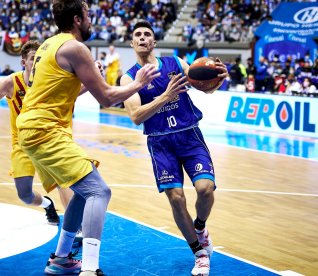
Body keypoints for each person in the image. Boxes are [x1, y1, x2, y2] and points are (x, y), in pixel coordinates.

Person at [16, 1, 160, 275]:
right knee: (99, 191)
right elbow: (106, 97)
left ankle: (61, 259)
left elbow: (58, 91)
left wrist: (88, 79)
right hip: (45, 130)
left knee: (82, 191)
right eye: (88, 16)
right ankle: (90, 269)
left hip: (35, 129)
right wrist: (138, 83)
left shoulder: (49, 44)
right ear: (76, 19)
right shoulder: (74, 47)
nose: (92, 21)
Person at [121, 21, 228, 276]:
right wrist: (165, 97)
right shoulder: (129, 78)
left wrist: (217, 79)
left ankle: (200, 226)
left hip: (189, 135)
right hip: (160, 142)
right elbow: (136, 116)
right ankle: (200, 253)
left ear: (154, 42)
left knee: (205, 189)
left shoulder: (176, 64)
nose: (143, 38)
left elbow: (206, 88)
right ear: (132, 44)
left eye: (148, 34)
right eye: (138, 35)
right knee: (176, 198)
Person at [0, 40, 74, 226]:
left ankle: (75, 225)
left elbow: (75, 91)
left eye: (39, 59)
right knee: (24, 194)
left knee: (62, 181)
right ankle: (47, 204)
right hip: (22, 144)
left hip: (46, 140)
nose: (37, 63)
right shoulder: (10, 83)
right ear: (24, 62)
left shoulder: (48, 81)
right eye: (33, 59)